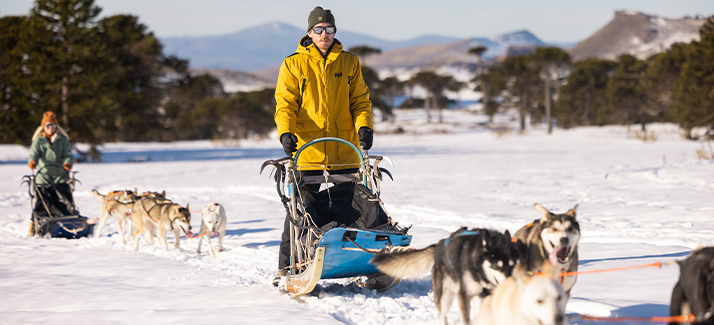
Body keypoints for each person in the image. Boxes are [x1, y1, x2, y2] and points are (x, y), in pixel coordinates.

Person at [272, 6, 374, 286]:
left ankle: (360, 261)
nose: (324, 34)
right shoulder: (293, 64)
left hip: (345, 150)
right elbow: (285, 104)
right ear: (309, 33)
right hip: (308, 151)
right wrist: (285, 133)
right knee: (299, 210)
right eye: (318, 30)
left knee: (354, 209)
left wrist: (364, 126)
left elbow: (360, 102)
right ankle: (288, 267)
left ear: (334, 32)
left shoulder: (349, 62)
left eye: (329, 29)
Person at [27, 111, 74, 235]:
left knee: (65, 201)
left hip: (60, 176)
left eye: (52, 126)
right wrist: (32, 162)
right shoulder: (38, 141)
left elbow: (68, 155)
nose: (50, 129)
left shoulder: (62, 140)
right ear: (43, 126)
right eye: (48, 126)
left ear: (56, 127)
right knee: (41, 203)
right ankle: (34, 225)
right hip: (44, 176)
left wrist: (68, 163)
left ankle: (69, 222)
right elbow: (34, 154)